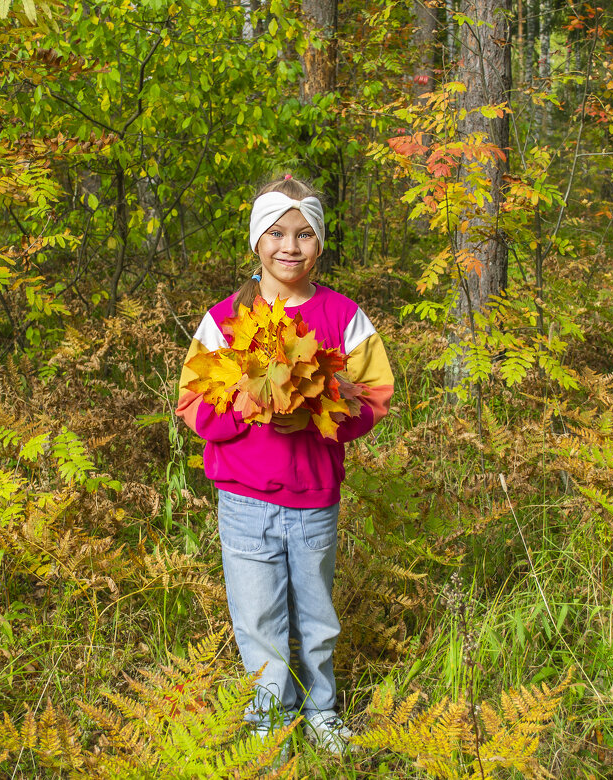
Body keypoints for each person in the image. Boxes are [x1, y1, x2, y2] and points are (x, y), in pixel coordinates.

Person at [175, 175, 394, 753]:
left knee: (317, 616)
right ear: (256, 242)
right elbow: (193, 404)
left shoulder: (344, 317)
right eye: (276, 233)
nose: (289, 247)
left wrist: (322, 417)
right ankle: (271, 714)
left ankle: (322, 709)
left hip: (313, 499)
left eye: (303, 235)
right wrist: (248, 407)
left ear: (320, 244)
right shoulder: (224, 320)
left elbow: (373, 394)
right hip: (244, 501)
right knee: (258, 619)